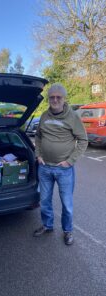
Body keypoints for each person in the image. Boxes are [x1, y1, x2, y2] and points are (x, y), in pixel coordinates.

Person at [33, 83, 88, 245]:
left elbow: (83, 140)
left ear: (64, 99)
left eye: (58, 97)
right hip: (44, 167)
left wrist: (70, 161)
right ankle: (47, 225)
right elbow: (38, 136)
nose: (55, 100)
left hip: (64, 169)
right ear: (49, 99)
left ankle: (67, 231)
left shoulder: (73, 117)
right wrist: (38, 155)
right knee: (44, 201)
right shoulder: (44, 116)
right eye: (52, 97)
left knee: (67, 204)